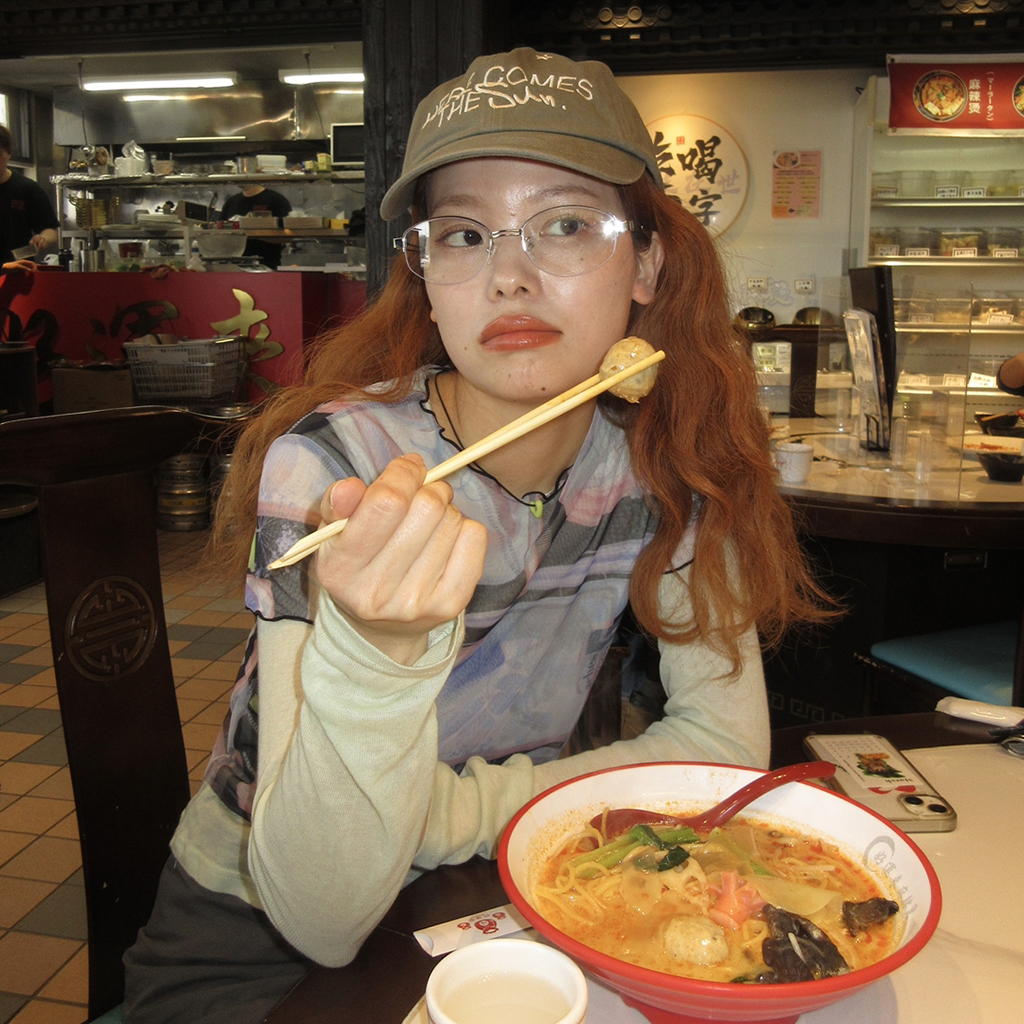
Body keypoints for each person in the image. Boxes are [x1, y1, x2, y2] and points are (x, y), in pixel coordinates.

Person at [123, 47, 832, 1024]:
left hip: (522, 882)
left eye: (566, 224)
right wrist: (375, 655)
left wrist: (441, 815)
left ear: (646, 263)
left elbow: (722, 743)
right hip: (253, 938)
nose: (509, 276)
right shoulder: (338, 466)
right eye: (464, 234)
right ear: (426, 275)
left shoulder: (671, 464)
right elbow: (322, 917)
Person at [0, 124, 59, 265]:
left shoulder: (28, 188)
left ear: (9, 154)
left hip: (20, 269)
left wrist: (43, 239)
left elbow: (50, 229)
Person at [220, 182, 292, 269]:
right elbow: (220, 233)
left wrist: (253, 232)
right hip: (234, 266)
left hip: (267, 265)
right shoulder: (231, 202)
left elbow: (288, 237)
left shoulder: (276, 199)